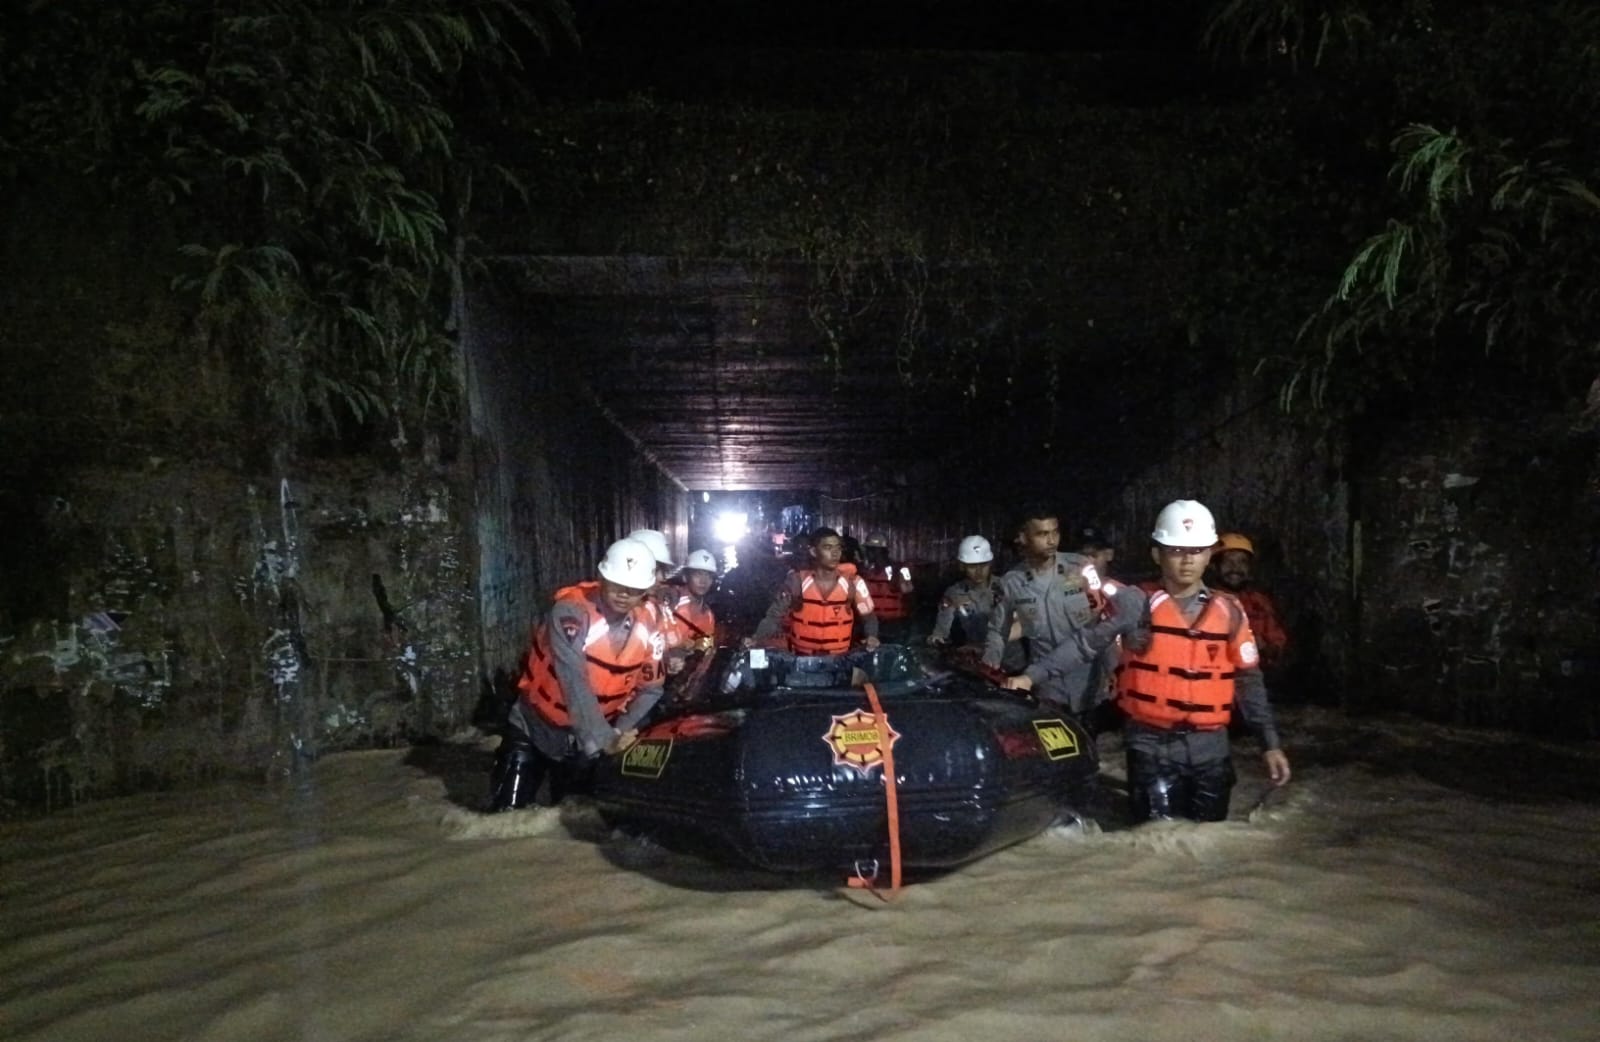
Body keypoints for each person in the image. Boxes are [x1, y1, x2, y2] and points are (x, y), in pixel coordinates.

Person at [1115, 500, 1292, 823]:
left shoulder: (1231, 611)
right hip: (1150, 746)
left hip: (1210, 750)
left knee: (1207, 842)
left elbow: (1249, 681)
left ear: (1208, 555)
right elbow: (1086, 645)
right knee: (1153, 840)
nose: (1187, 561)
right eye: (1177, 551)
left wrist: (1270, 745)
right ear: (1158, 554)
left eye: (1196, 551)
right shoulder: (1135, 604)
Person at [485, 538, 667, 811]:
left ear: (645, 592)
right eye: (617, 585)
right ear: (602, 578)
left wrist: (618, 731)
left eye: (633, 589)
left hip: (581, 742)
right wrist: (605, 740)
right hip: (534, 727)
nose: (624, 594)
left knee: (573, 819)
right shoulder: (571, 612)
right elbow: (572, 678)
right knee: (506, 816)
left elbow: (651, 689)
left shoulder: (649, 628)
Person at [983, 505, 1126, 718]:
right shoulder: (1012, 583)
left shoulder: (1080, 568)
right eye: (1042, 534)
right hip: (1047, 684)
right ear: (1022, 537)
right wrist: (988, 669)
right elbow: (998, 632)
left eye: (1055, 532)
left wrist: (1114, 670)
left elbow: (1102, 621)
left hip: (1090, 681)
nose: (1051, 541)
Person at [752, 526, 879, 654]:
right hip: (802, 662)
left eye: (838, 547)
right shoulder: (797, 581)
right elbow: (773, 617)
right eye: (828, 547)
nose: (835, 553)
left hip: (839, 663)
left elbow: (869, 617)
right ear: (813, 551)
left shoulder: (853, 583)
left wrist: (871, 637)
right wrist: (756, 639)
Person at [929, 535, 1024, 671]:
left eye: (983, 565)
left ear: (990, 563)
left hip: (1011, 663)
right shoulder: (955, 593)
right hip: (979, 664)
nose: (979, 572)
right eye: (973, 566)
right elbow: (942, 628)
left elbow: (1024, 623)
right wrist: (937, 639)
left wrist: (982, 646)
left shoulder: (1006, 588)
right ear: (962, 566)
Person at [1210, 532, 1290, 673]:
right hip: (1211, 674)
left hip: (1251, 673)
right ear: (1215, 566)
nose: (1235, 568)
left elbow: (1278, 644)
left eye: (1242, 562)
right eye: (1228, 561)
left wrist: (1263, 646)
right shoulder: (1203, 600)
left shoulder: (1259, 602)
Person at [859, 531, 915, 644]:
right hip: (872, 624)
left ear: (880, 551)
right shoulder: (866, 572)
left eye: (871, 550)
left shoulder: (899, 569)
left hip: (894, 626)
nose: (867, 554)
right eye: (868, 550)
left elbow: (908, 592)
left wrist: (898, 577)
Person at [667, 548, 719, 658]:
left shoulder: (708, 615)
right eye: (698, 574)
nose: (703, 581)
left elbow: (705, 646)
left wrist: (697, 647)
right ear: (685, 577)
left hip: (684, 670)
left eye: (709, 576)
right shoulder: (671, 598)